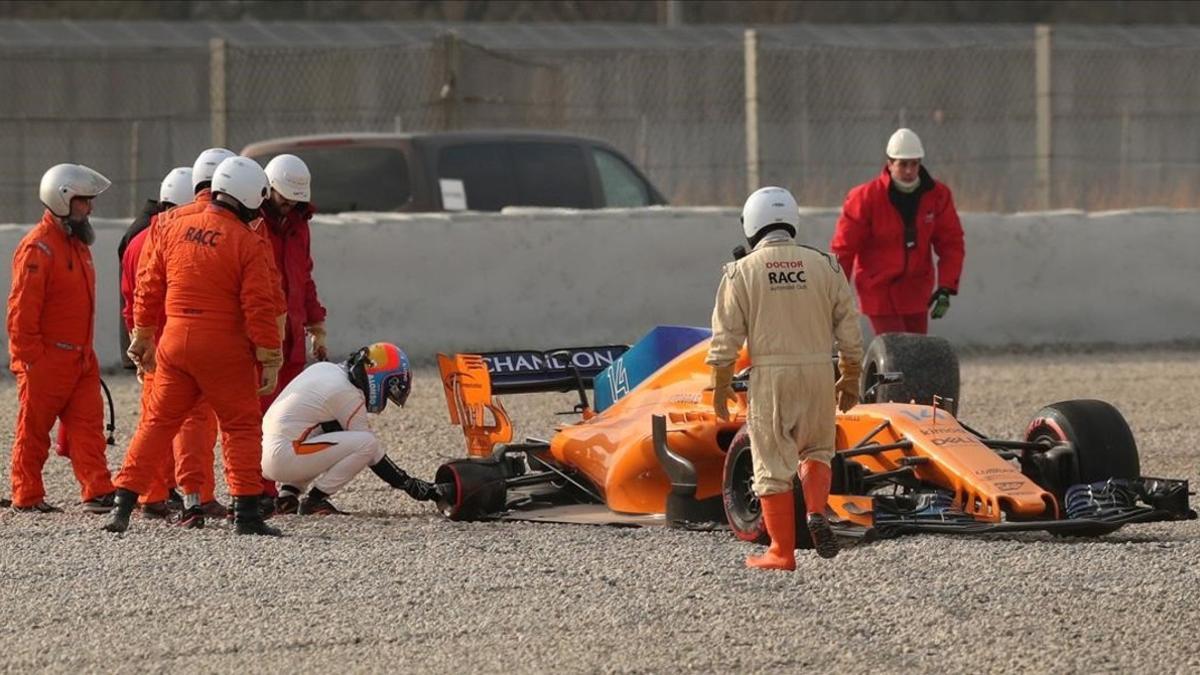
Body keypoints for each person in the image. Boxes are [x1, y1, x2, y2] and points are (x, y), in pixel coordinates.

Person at [104, 156, 286, 535]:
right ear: (250, 196)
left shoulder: (170, 224)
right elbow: (259, 306)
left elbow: (148, 285)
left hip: (174, 343)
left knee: (156, 424)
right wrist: (270, 356)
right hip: (223, 349)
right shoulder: (246, 240)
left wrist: (142, 334)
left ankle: (122, 504)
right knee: (240, 427)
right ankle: (247, 515)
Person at [706, 186, 864, 569]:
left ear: (752, 224)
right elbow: (849, 329)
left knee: (772, 464)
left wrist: (721, 380)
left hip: (772, 378)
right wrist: (850, 375)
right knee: (816, 450)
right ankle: (815, 512)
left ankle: (781, 551)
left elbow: (726, 337)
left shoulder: (740, 272)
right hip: (818, 374)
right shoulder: (826, 266)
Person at [7, 164, 117, 513]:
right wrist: (31, 360)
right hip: (48, 360)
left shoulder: (75, 243)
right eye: (84, 201)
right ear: (64, 199)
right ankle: (27, 495)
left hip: (81, 358)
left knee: (89, 428)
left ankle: (98, 490)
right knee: (34, 431)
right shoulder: (38, 248)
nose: (90, 208)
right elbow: (21, 311)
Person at [262, 342, 440, 515]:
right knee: (366, 443)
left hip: (265, 453)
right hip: (281, 460)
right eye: (387, 392)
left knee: (328, 429)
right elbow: (373, 453)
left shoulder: (325, 369)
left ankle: (288, 496)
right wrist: (411, 485)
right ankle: (315, 500)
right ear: (379, 379)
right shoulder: (347, 393)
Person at [830, 128, 965, 335]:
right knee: (897, 353)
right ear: (890, 163)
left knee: (917, 355)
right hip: (879, 290)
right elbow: (844, 249)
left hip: (917, 292)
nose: (910, 171)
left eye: (914, 164)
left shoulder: (937, 196)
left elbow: (951, 243)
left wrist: (946, 286)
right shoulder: (865, 198)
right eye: (903, 164)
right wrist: (836, 293)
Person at [256, 154, 328, 502]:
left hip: (294, 340)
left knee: (294, 417)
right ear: (268, 191)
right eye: (284, 199)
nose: (288, 206)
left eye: (294, 201)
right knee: (261, 418)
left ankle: (287, 488)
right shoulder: (253, 225)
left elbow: (304, 277)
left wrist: (317, 324)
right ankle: (260, 489)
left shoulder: (301, 226)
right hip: (264, 339)